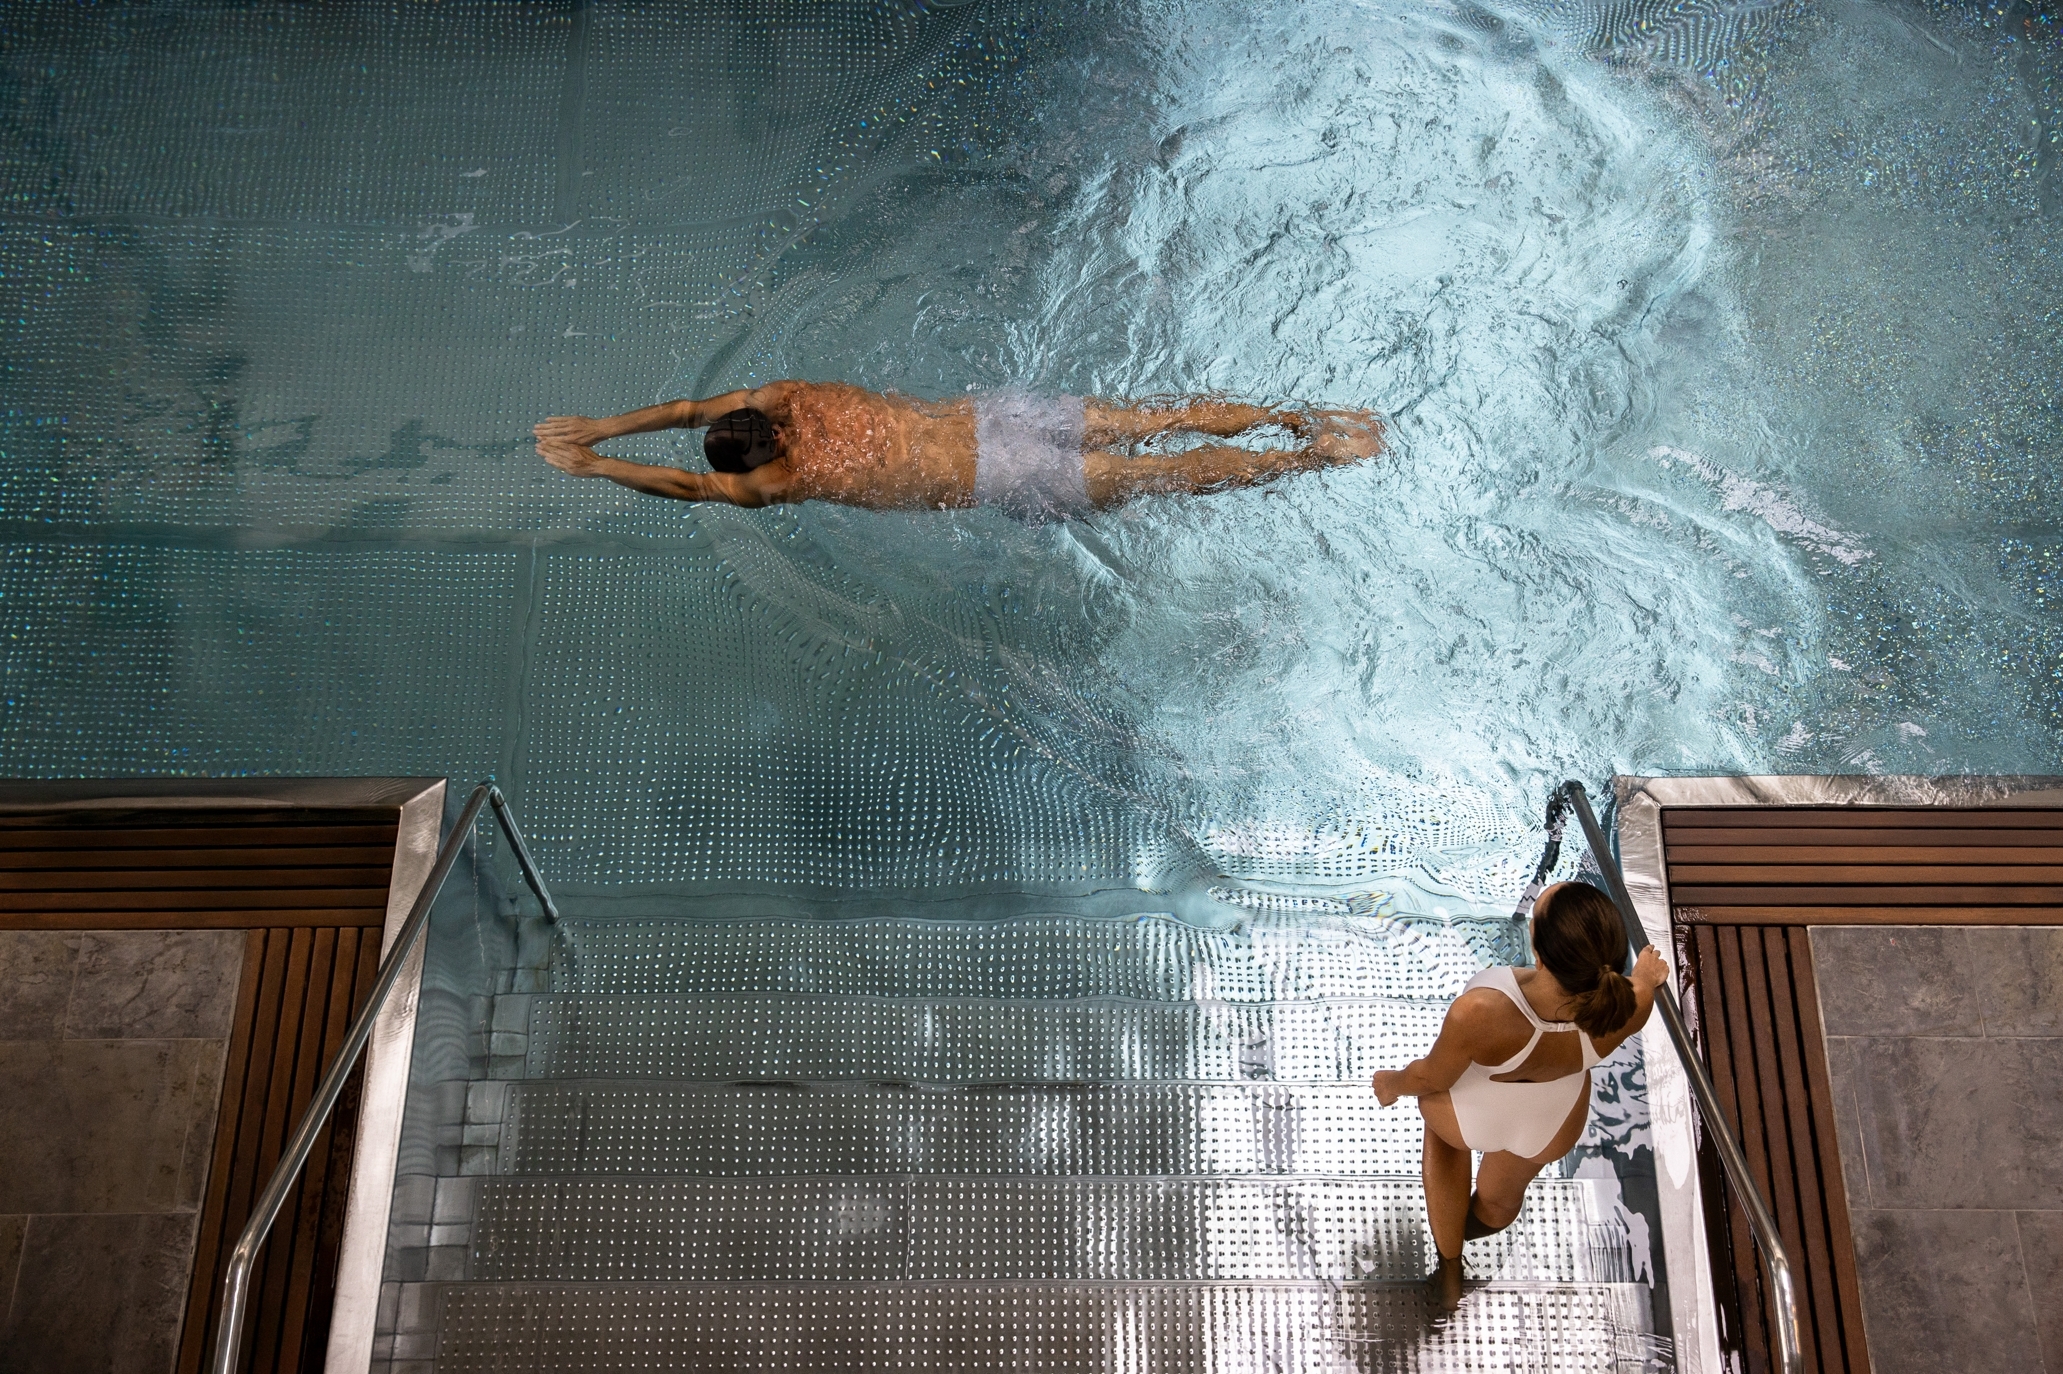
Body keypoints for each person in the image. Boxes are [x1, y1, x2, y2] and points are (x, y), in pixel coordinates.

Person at [1372, 881, 1669, 1312]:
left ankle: (1450, 1260)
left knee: (1442, 1135)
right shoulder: (1630, 1002)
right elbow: (1644, 982)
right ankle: (1470, 1227)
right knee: (1499, 1198)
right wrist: (1643, 975)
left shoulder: (1481, 1011)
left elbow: (1431, 1077)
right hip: (1551, 1124)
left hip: (1471, 1116)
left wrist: (1392, 1084)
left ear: (1538, 950)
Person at [532, 381, 1382, 519]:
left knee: (1161, 474)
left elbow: (686, 487)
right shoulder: (784, 398)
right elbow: (687, 410)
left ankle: (1312, 459)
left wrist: (601, 463)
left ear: (760, 460)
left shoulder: (782, 482)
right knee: (1151, 419)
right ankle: (1309, 417)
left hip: (994, 472)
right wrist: (600, 422)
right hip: (994, 415)